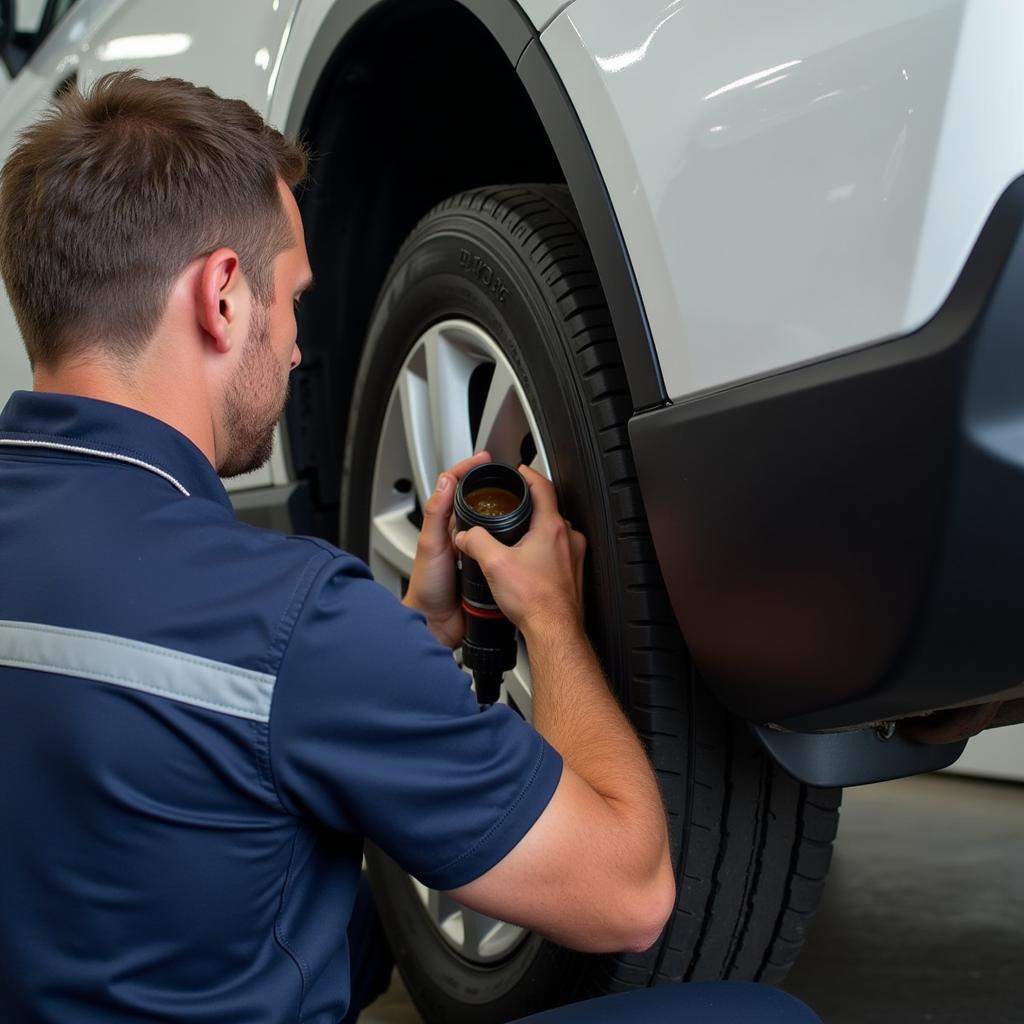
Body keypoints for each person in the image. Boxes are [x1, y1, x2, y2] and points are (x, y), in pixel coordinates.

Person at [0, 72, 820, 1024]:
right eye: (294, 298)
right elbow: (629, 895)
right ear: (223, 297)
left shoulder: (291, 641)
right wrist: (552, 618)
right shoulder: (289, 620)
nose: (300, 348)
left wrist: (405, 646)